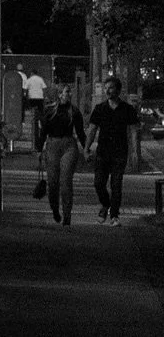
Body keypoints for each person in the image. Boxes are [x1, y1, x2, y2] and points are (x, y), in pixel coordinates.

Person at [87, 75, 137, 226]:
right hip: (103, 151)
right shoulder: (100, 109)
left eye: (111, 88)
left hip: (120, 152)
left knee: (116, 184)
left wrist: (134, 151)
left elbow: (133, 131)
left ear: (118, 90)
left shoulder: (127, 109)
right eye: (106, 88)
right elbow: (92, 129)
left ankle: (114, 215)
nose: (108, 91)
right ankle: (105, 204)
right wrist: (86, 148)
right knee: (98, 183)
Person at [42, 89, 87, 224]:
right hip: (53, 144)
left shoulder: (74, 111)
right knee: (53, 182)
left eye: (68, 92)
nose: (67, 95)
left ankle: (67, 215)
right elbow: (44, 131)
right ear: (59, 95)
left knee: (66, 181)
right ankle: (55, 209)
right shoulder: (50, 111)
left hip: (69, 145)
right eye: (64, 92)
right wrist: (39, 148)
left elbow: (80, 132)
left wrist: (86, 148)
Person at [23, 68, 48, 152]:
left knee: (32, 113)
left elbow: (25, 90)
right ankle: (42, 123)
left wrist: (26, 97)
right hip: (40, 98)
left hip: (32, 98)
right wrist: (44, 97)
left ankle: (33, 121)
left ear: (31, 73)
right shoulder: (40, 79)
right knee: (41, 114)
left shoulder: (29, 79)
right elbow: (44, 88)